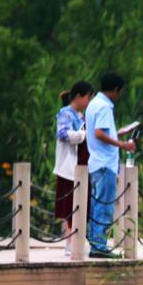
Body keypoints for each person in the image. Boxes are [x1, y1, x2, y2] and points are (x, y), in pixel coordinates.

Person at [84, 72, 136, 259]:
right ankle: (99, 245)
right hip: (105, 163)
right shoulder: (105, 106)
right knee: (104, 205)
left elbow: (99, 133)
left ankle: (96, 242)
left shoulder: (93, 104)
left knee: (97, 203)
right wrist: (123, 144)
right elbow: (99, 133)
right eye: (119, 91)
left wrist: (116, 135)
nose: (119, 95)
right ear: (115, 89)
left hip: (97, 161)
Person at [54, 81, 93, 248]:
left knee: (81, 205)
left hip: (82, 166)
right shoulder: (65, 114)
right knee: (70, 206)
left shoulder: (80, 116)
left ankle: (75, 241)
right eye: (88, 98)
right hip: (69, 167)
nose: (88, 102)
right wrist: (84, 134)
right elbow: (63, 134)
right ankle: (70, 243)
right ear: (79, 96)